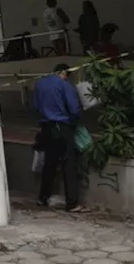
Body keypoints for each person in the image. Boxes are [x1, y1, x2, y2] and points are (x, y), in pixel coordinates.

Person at [31, 63, 88, 212]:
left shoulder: (40, 83)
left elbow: (36, 106)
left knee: (49, 164)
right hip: (61, 127)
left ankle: (43, 198)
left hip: (46, 128)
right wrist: (74, 121)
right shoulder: (65, 86)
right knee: (69, 164)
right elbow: (74, 109)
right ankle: (72, 203)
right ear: (65, 74)